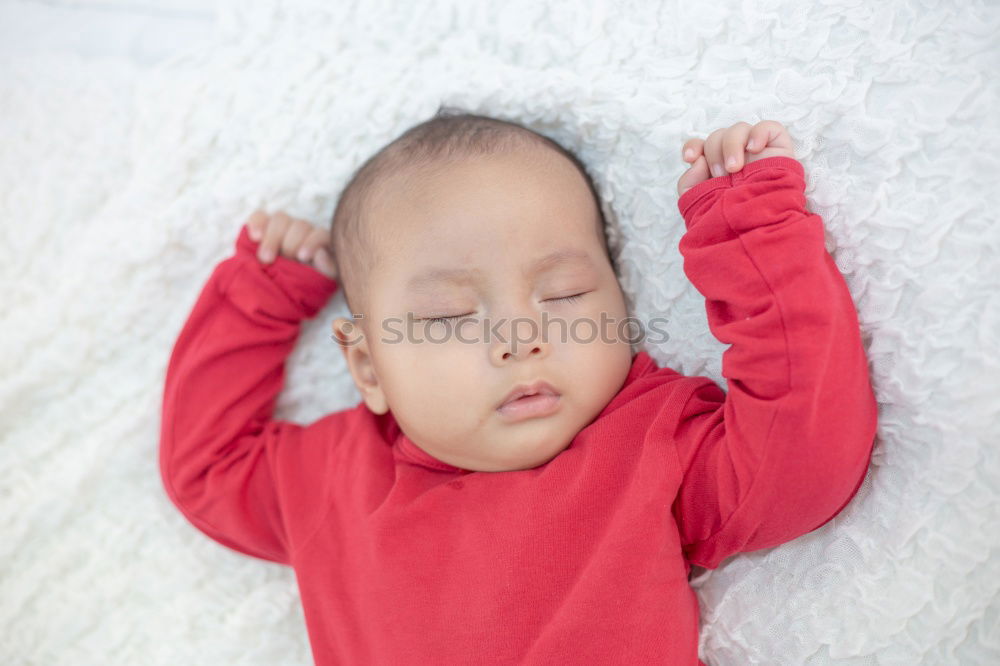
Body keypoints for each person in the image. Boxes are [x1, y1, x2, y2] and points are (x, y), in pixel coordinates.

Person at [159, 107, 878, 665]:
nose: (519, 338)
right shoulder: (332, 481)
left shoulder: (646, 443)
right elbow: (205, 467)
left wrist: (749, 235)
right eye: (447, 315)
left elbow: (803, 457)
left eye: (563, 294)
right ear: (369, 367)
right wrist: (259, 298)